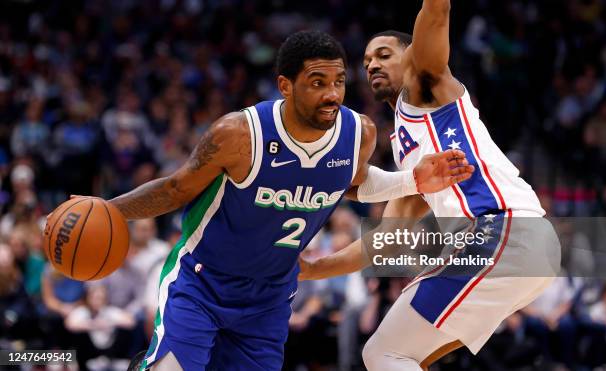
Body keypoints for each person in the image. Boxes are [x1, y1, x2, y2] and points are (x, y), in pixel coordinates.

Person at [67, 30, 473, 371]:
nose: (332, 94)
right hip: (202, 282)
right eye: (318, 82)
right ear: (286, 85)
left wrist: (411, 180)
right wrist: (108, 208)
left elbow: (352, 182)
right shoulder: (239, 134)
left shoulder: (358, 132)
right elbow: (177, 189)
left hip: (270, 296)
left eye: (339, 82)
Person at [298, 2, 561, 370]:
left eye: (384, 54)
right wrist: (314, 269)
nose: (372, 63)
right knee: (403, 356)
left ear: (411, 58)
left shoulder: (427, 89)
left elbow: (436, 12)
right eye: (367, 59)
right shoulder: (408, 147)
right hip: (519, 248)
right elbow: (386, 240)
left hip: (500, 233)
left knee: (384, 353)